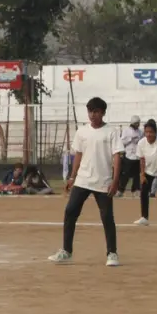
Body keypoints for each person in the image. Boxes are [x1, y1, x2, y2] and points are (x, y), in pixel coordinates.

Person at [49, 97, 123, 266]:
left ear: (103, 113)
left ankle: (112, 253)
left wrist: (115, 181)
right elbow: (78, 155)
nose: (92, 115)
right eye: (90, 111)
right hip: (82, 180)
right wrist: (72, 177)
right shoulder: (82, 131)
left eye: (96, 111)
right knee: (70, 212)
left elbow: (117, 157)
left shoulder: (111, 132)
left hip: (103, 181)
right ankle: (66, 251)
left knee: (107, 217)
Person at [135, 118, 157, 226]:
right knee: (143, 193)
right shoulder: (141, 143)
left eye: (151, 132)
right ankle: (144, 217)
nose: (148, 134)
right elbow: (142, 159)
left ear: (155, 132)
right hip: (147, 171)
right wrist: (142, 174)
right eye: (146, 132)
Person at [118, 115, 143, 197]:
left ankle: (135, 190)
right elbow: (122, 142)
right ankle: (121, 190)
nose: (137, 125)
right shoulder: (126, 131)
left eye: (138, 123)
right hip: (128, 155)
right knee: (126, 174)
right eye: (136, 123)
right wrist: (130, 139)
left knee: (136, 175)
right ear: (132, 123)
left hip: (137, 156)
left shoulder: (140, 132)